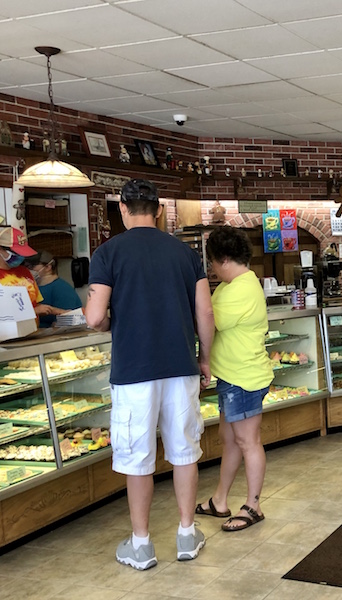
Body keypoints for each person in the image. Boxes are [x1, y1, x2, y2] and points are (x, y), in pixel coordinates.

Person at [85, 179, 215, 571]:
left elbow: (93, 317)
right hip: (180, 367)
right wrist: (204, 358)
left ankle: (141, 545)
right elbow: (205, 314)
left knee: (137, 458)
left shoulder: (107, 252)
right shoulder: (186, 253)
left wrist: (111, 322)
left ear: (123, 210)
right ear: (158, 210)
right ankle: (187, 534)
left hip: (133, 372)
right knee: (184, 452)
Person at [195, 226, 272, 532]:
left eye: (212, 262)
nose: (211, 269)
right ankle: (219, 500)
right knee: (229, 440)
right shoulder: (231, 284)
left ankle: (254, 505)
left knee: (247, 441)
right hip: (231, 376)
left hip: (244, 378)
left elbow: (206, 320)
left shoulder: (240, 288)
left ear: (224, 259)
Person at [25, 250, 82, 327]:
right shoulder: (32, 287)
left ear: (48, 267)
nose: (28, 270)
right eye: (26, 267)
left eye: (32, 267)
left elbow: (67, 321)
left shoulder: (62, 289)